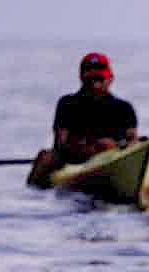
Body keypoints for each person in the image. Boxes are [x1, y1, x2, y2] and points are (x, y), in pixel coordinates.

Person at [27, 52, 140, 187]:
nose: (94, 82)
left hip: (112, 157)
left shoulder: (124, 108)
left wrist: (114, 147)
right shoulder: (67, 104)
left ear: (110, 78)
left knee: (107, 145)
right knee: (45, 156)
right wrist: (89, 149)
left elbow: (133, 142)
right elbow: (59, 145)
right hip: (75, 160)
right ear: (81, 77)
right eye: (90, 77)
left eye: (99, 77)